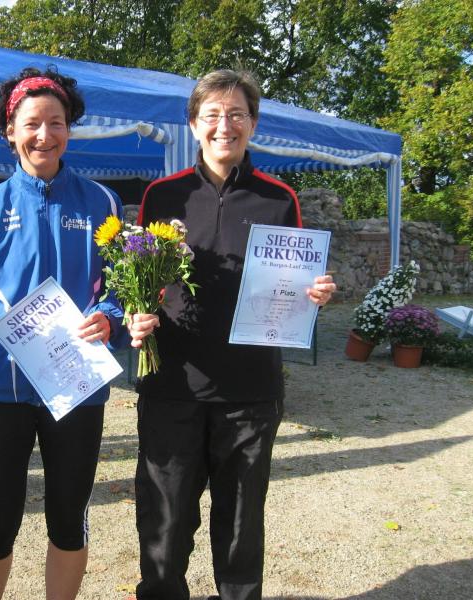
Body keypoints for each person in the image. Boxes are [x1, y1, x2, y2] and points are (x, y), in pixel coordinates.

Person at [127, 69, 337, 600]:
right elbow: (140, 280)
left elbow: (294, 279)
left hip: (250, 390)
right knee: (164, 521)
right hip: (172, 385)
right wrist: (134, 314)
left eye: (237, 114)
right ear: (193, 125)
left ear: (253, 124)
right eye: (213, 115)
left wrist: (314, 293)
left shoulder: (279, 198)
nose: (226, 126)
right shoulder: (162, 196)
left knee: (241, 525)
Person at [0, 67, 126, 600]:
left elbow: (121, 289)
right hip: (2, 389)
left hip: (76, 385)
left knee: (68, 520)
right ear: (10, 131)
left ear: (69, 129)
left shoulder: (103, 204)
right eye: (32, 123)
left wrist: (110, 317)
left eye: (56, 123)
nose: (45, 135)